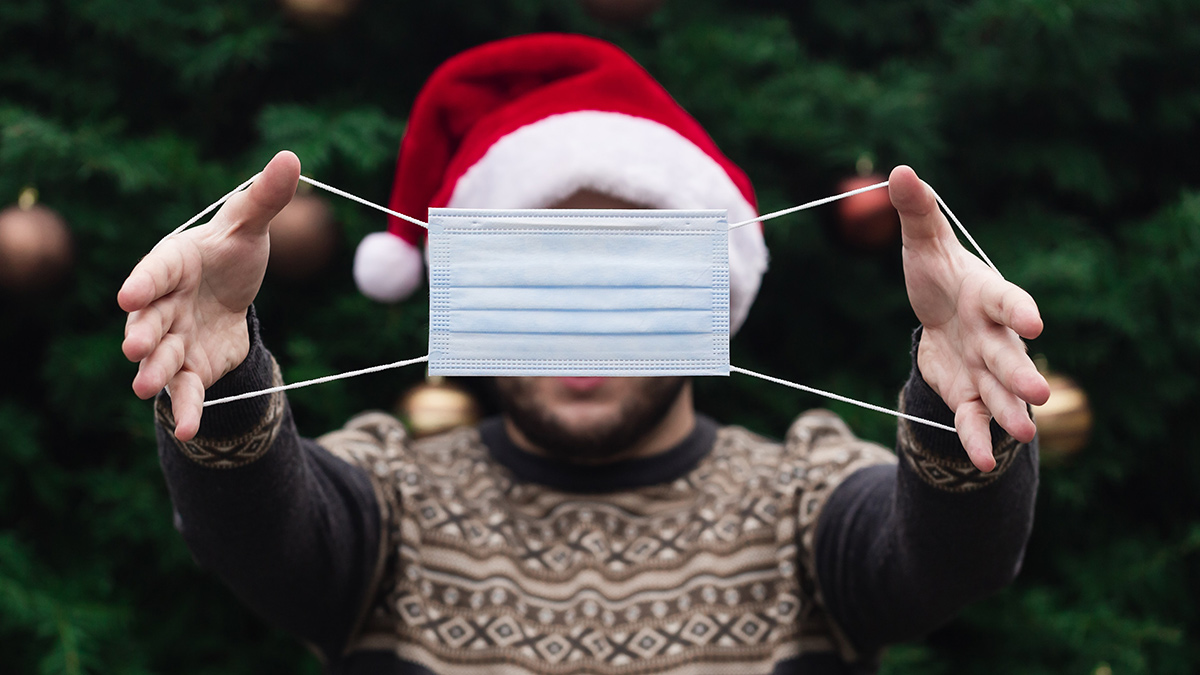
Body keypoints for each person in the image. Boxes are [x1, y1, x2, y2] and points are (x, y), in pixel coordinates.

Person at [119, 35, 1049, 674]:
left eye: (627, 270)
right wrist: (228, 375)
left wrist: (952, 406)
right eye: (542, 269)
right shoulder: (389, 498)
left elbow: (946, 559)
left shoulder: (802, 502)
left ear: (709, 292)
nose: (585, 317)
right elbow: (258, 530)